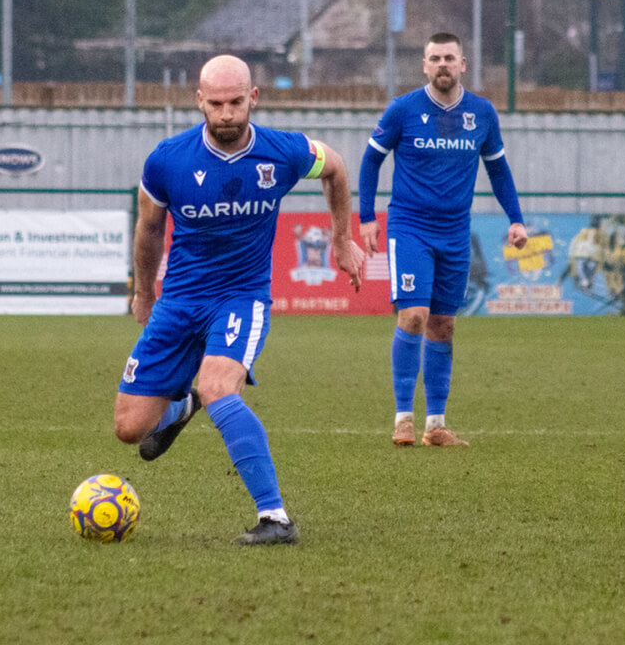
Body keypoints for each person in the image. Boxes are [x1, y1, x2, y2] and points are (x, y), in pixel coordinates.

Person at [116, 54, 365, 546]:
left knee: (219, 387)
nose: (226, 113)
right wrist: (144, 291)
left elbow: (335, 168)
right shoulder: (168, 159)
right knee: (129, 428)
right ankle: (180, 407)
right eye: (216, 104)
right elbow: (148, 229)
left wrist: (341, 239)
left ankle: (275, 518)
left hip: (242, 296)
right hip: (180, 300)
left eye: (235, 102)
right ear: (199, 102)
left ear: (253, 98)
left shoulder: (284, 152)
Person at [358, 32, 527, 448]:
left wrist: (516, 220)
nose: (442, 65)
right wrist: (366, 218)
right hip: (410, 226)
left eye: (449, 58)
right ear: (424, 65)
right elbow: (370, 160)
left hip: (455, 232)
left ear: (463, 64)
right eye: (434, 59)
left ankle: (436, 425)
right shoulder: (403, 109)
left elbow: (499, 171)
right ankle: (403, 419)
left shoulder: (482, 113)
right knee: (413, 315)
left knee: (443, 324)